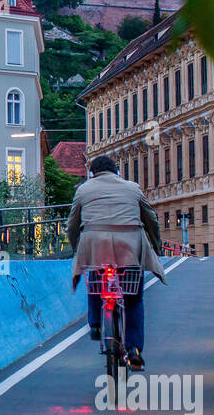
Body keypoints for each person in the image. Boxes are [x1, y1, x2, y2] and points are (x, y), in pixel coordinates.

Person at [67, 154, 166, 369]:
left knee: (95, 277)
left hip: (95, 246)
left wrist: (77, 249)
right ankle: (134, 349)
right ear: (116, 172)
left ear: (92, 173)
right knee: (134, 298)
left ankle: (95, 325)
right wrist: (156, 245)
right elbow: (151, 219)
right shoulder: (132, 188)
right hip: (128, 248)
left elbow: (72, 225)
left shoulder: (83, 190)